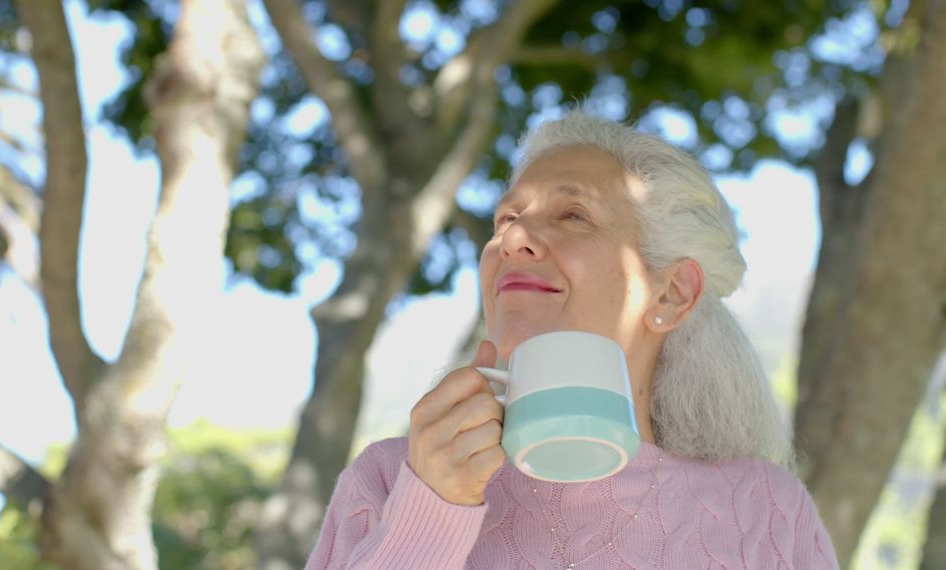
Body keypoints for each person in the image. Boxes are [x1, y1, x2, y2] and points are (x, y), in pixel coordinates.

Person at [304, 111, 839, 569]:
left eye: (573, 215)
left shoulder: (767, 508)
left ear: (672, 294)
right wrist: (428, 511)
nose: (511, 239)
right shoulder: (389, 479)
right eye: (506, 218)